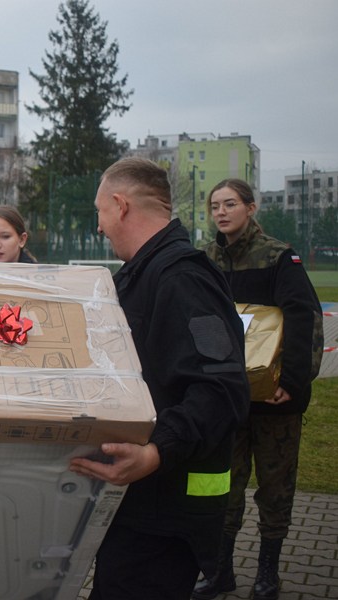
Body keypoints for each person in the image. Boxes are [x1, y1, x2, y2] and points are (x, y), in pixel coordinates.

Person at [68, 157, 250, 600]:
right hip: (141, 506)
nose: (99, 226)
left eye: (100, 212)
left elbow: (222, 388)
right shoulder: (144, 273)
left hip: (165, 515)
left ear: (120, 205)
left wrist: (154, 453)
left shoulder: (183, 278)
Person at [192, 179, 323, 600]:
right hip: (228, 399)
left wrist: (292, 383)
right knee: (222, 486)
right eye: (215, 206)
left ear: (250, 207)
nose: (221, 212)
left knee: (275, 486)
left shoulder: (279, 257)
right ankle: (220, 572)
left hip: (274, 399)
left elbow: (304, 318)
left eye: (230, 204)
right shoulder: (206, 259)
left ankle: (267, 572)